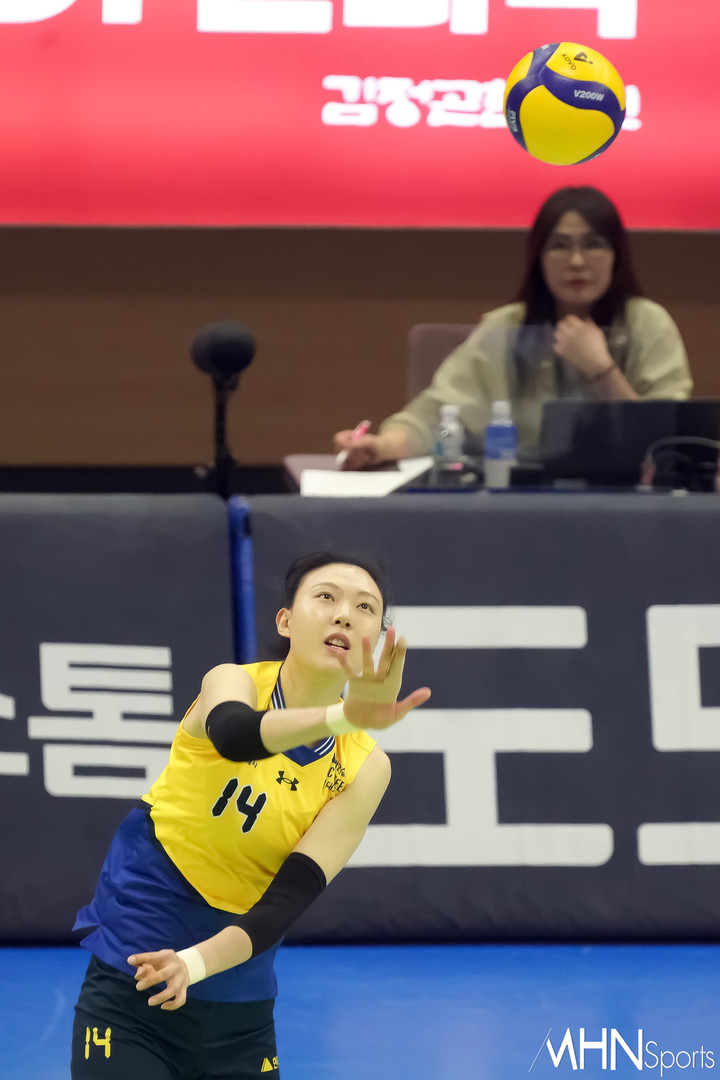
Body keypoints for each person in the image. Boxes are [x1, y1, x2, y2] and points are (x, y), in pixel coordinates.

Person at [70, 551, 431, 1079]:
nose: (344, 614)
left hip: (238, 1010)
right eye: (325, 597)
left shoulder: (366, 767)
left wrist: (193, 964)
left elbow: (287, 899)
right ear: (285, 621)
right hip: (137, 982)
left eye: (365, 608)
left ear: (377, 641)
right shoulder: (232, 682)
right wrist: (342, 716)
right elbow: (237, 736)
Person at [332, 186, 693, 468]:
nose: (577, 261)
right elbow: (434, 415)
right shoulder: (505, 328)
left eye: (594, 245)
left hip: (630, 500)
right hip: (521, 497)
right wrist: (380, 447)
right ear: (539, 259)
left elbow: (666, 442)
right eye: (559, 246)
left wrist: (602, 369)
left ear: (617, 255)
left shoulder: (648, 324)